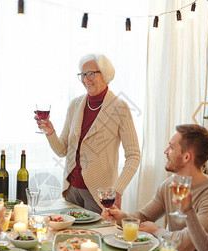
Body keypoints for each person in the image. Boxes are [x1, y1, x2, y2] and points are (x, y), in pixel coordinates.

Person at [35, 53, 140, 213]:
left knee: (97, 236)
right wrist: (50, 132)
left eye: (91, 73)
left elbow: (133, 155)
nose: (86, 79)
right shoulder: (75, 105)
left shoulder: (120, 108)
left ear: (105, 74)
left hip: (99, 194)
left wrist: (118, 190)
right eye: (82, 74)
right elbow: (62, 150)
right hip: (71, 190)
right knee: (70, 237)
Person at [103, 124, 208, 251]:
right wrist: (121, 218)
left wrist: (157, 231)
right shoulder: (169, 185)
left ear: (186, 157)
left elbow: (185, 244)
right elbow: (143, 216)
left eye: (171, 147)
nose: (165, 151)